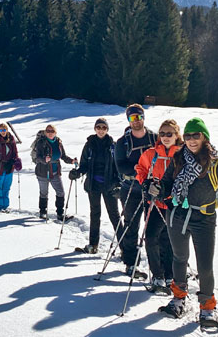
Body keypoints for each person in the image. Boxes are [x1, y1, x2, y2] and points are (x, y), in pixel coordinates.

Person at [151, 118, 218, 326]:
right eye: (188, 136)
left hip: (204, 218)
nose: (192, 140)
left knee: (205, 266)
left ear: (205, 138)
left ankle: (207, 308)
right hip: (178, 215)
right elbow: (167, 184)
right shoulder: (178, 157)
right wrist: (157, 189)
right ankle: (178, 298)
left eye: (196, 135)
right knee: (179, 258)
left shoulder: (216, 164)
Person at [135, 119, 182, 294]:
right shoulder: (151, 153)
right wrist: (145, 183)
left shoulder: (182, 154)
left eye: (169, 133)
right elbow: (140, 168)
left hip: (174, 204)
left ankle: (170, 275)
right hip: (154, 203)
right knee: (151, 238)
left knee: (170, 241)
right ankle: (158, 275)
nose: (165, 137)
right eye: (162, 133)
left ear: (177, 135)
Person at [114, 104, 157, 279]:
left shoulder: (155, 137)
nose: (136, 121)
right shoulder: (122, 143)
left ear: (143, 117)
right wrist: (141, 171)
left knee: (154, 228)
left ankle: (159, 268)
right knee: (131, 225)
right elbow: (121, 166)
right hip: (131, 188)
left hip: (152, 189)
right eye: (132, 118)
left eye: (138, 117)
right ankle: (131, 263)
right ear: (128, 120)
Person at [68, 118, 120, 254]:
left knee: (114, 216)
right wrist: (77, 173)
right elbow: (84, 164)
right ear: (95, 129)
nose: (101, 130)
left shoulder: (113, 146)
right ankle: (93, 244)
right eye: (98, 127)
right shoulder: (89, 145)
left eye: (103, 127)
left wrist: (119, 183)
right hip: (93, 185)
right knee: (95, 214)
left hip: (110, 186)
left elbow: (117, 167)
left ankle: (125, 249)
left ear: (107, 129)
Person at [31, 124, 77, 221]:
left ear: (55, 132)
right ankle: (43, 212)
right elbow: (37, 157)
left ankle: (60, 214)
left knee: (60, 192)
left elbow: (63, 156)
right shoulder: (41, 142)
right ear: (45, 132)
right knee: (44, 193)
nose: (50, 133)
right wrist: (44, 159)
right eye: (48, 131)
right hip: (43, 171)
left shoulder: (58, 142)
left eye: (52, 131)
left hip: (55, 171)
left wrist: (71, 161)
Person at [0, 123, 21, 212]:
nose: (3, 132)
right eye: (1, 130)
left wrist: (15, 160)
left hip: (9, 167)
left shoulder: (11, 140)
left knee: (6, 187)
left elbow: (15, 152)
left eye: (4, 130)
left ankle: (5, 206)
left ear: (7, 130)